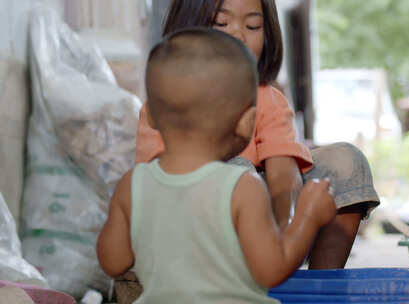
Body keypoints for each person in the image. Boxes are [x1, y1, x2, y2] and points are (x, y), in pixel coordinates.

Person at [97, 28, 337, 303]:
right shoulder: (242, 187)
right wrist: (308, 216)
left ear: (150, 115)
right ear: (247, 122)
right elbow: (271, 271)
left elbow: (113, 262)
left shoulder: (133, 184)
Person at [135, 0, 380, 269]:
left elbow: (283, 175)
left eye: (253, 25)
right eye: (221, 23)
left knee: (346, 161)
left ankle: (318, 289)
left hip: (265, 235)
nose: (239, 34)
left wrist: (289, 232)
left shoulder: (267, 98)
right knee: (237, 174)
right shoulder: (163, 107)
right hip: (190, 244)